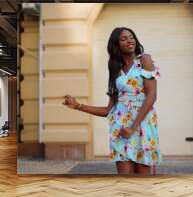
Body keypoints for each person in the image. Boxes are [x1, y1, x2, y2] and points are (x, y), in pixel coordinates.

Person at [63, 27, 162, 175]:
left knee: (142, 184)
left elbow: (151, 95)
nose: (130, 40)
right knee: (124, 181)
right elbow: (109, 110)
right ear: (116, 45)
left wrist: (132, 128)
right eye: (124, 39)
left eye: (131, 37)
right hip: (120, 129)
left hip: (142, 126)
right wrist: (78, 106)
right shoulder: (115, 69)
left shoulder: (144, 60)